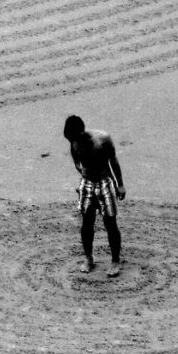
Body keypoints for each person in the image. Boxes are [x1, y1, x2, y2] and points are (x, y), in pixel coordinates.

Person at [63, 114, 126, 275]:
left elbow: (113, 161)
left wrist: (120, 185)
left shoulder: (103, 139)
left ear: (81, 132)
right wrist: (83, 178)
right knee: (86, 222)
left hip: (104, 181)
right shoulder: (74, 141)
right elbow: (77, 161)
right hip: (87, 183)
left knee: (110, 222)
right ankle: (89, 258)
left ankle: (115, 260)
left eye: (74, 139)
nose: (72, 142)